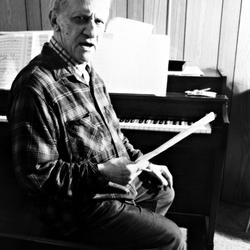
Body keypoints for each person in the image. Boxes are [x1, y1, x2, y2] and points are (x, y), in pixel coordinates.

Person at [8, 0, 184, 249]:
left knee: (162, 190)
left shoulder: (91, 74)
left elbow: (116, 139)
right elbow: (37, 177)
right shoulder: (35, 86)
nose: (92, 31)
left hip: (105, 189)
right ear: (55, 20)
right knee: (172, 237)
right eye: (80, 19)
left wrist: (144, 162)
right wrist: (101, 173)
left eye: (99, 21)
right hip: (77, 207)